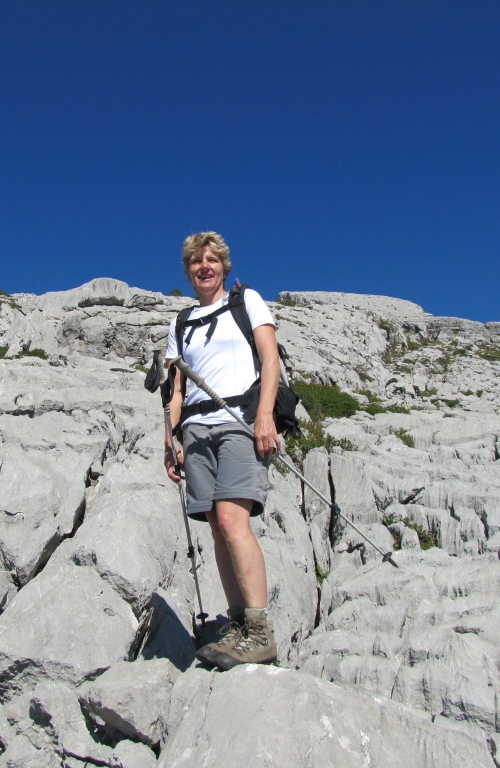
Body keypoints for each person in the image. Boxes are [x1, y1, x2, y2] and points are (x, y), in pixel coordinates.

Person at [164, 231, 281, 669]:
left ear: (224, 266)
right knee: (216, 526)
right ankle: (237, 625)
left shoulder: (246, 301)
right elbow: (175, 389)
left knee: (232, 520)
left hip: (238, 422)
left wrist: (264, 416)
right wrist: (169, 440)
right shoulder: (180, 323)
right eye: (196, 261)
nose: (204, 267)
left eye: (211, 260)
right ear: (188, 270)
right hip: (196, 430)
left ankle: (259, 631)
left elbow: (270, 359)